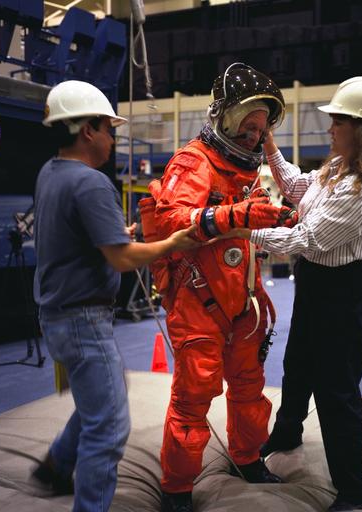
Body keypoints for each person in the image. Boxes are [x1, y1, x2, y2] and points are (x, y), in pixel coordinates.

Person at [221, 76, 362, 511]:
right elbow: (298, 187)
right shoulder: (337, 167)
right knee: (297, 364)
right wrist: (268, 145)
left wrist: (240, 229)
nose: (330, 128)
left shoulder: (361, 190)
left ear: (359, 129)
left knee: (336, 390)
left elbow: (308, 238)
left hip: (342, 293)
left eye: (337, 122)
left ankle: (353, 489)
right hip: (316, 285)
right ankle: (285, 434)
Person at [32, 80, 201, 512]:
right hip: (84, 319)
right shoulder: (91, 184)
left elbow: (82, 242)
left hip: (57, 315)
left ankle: (55, 465)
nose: (113, 139)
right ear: (87, 130)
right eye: (109, 129)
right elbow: (124, 260)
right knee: (108, 427)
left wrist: (112, 238)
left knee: (102, 396)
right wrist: (173, 243)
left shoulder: (50, 173)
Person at [144, 63, 297, 512]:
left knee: (250, 388)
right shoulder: (194, 161)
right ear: (225, 118)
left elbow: (243, 232)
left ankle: (248, 456)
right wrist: (235, 216)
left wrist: (276, 217)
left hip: (243, 299)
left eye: (260, 130)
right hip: (197, 299)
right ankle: (176, 487)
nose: (253, 137)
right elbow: (172, 221)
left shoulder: (243, 170)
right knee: (194, 394)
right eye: (246, 127)